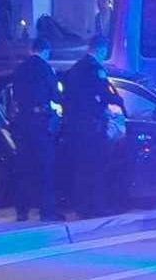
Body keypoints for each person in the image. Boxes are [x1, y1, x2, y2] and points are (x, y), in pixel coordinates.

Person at [63, 35, 125, 217]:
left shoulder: (75, 69)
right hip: (93, 128)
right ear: (101, 49)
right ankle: (97, 207)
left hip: (75, 128)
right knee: (97, 169)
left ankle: (82, 208)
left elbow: (67, 97)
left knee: (81, 170)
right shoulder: (95, 69)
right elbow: (106, 95)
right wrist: (117, 101)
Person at [11, 37, 63, 222]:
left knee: (24, 168)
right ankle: (47, 212)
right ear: (46, 51)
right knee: (45, 168)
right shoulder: (45, 69)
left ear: (31, 49)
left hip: (23, 122)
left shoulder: (19, 69)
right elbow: (55, 96)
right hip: (40, 122)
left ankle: (21, 211)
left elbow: (15, 94)